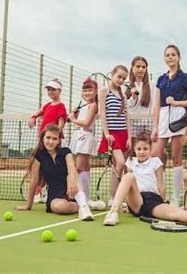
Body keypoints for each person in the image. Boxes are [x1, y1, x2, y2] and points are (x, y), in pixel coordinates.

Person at [103, 131, 187, 228]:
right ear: (134, 149)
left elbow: (161, 185)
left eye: (145, 149)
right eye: (139, 149)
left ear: (150, 149)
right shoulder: (130, 163)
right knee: (129, 176)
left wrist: (164, 201)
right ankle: (113, 212)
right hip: (137, 200)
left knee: (173, 213)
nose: (142, 152)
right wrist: (125, 203)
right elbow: (128, 186)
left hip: (153, 200)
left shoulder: (156, 162)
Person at [14, 124, 94, 221]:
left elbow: (71, 168)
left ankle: (84, 208)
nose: (51, 141)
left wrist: (71, 179)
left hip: (72, 189)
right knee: (59, 207)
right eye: (48, 137)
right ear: (42, 138)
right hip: (55, 194)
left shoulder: (66, 152)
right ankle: (84, 204)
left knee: (73, 174)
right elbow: (34, 180)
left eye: (54, 139)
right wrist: (28, 205)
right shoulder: (38, 156)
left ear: (59, 141)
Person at [151, 44, 187, 207]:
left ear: (178, 57)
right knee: (154, 157)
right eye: (167, 55)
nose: (170, 57)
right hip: (163, 118)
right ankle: (157, 194)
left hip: (179, 120)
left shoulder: (185, 77)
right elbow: (157, 105)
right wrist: (155, 126)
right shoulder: (161, 79)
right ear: (165, 58)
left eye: (173, 55)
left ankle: (176, 198)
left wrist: (176, 103)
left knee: (176, 158)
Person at [68, 78, 105, 210]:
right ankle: (87, 198)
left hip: (85, 135)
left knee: (78, 168)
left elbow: (87, 123)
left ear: (95, 91)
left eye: (90, 90)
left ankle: (80, 197)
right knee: (85, 168)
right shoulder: (83, 106)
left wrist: (73, 119)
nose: (87, 92)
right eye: (85, 90)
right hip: (79, 135)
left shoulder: (93, 105)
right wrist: (75, 114)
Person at [28, 78, 68, 203]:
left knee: (55, 169)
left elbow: (61, 123)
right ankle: (38, 193)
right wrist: (34, 117)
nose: (51, 92)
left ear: (59, 91)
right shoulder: (47, 105)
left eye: (53, 89)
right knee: (37, 167)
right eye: (49, 89)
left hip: (53, 143)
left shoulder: (61, 106)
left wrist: (54, 138)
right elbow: (38, 112)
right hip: (43, 142)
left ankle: (61, 193)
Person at [97, 65, 131, 207]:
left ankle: (118, 198)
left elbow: (126, 117)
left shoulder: (123, 94)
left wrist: (129, 137)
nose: (121, 80)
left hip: (123, 133)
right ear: (112, 74)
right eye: (119, 76)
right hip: (112, 134)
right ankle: (112, 198)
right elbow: (102, 113)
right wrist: (106, 134)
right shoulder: (104, 90)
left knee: (121, 166)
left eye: (124, 78)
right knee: (121, 163)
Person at [124, 56, 157, 150]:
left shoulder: (152, 85)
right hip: (131, 124)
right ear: (132, 67)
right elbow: (126, 106)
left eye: (143, 67)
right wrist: (133, 97)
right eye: (138, 66)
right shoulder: (125, 86)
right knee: (131, 151)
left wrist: (154, 125)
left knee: (149, 152)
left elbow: (155, 105)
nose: (141, 69)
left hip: (148, 123)